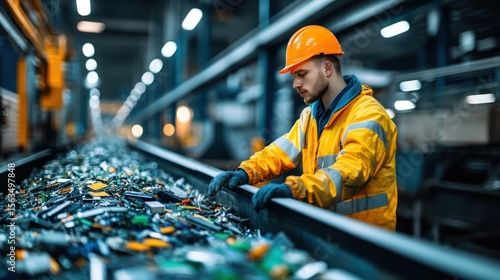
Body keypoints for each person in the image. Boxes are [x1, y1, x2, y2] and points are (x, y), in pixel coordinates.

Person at [208, 25, 398, 231]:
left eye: (302, 74)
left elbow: (350, 173)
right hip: (326, 230)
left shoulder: (369, 115)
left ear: (327, 68)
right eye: (293, 76)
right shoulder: (311, 117)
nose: (295, 84)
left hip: (368, 242)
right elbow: (279, 153)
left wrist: (296, 189)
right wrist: (245, 172)